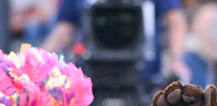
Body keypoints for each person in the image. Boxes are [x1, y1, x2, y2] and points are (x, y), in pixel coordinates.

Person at [42, 0, 190, 82]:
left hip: (143, 77)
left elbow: (174, 20)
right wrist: (39, 59)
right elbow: (65, 29)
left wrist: (175, 60)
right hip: (91, 77)